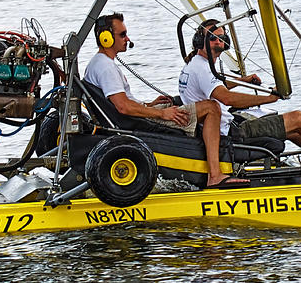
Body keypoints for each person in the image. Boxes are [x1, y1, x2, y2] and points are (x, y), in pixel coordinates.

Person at [83, 13, 247, 187]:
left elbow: (121, 101)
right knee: (212, 107)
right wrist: (162, 113)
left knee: (176, 101)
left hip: (136, 115)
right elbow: (123, 107)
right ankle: (214, 175)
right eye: (122, 34)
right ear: (106, 38)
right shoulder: (106, 68)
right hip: (137, 121)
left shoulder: (98, 63)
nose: (127, 39)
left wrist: (149, 105)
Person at [178, 19, 301, 155]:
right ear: (200, 41)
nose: (219, 41)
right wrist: (269, 98)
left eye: (222, 37)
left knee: (295, 132)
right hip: (228, 132)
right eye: (212, 37)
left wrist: (244, 80)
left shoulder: (194, 64)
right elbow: (227, 98)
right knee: (298, 118)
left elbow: (213, 86)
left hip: (224, 126)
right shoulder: (203, 69)